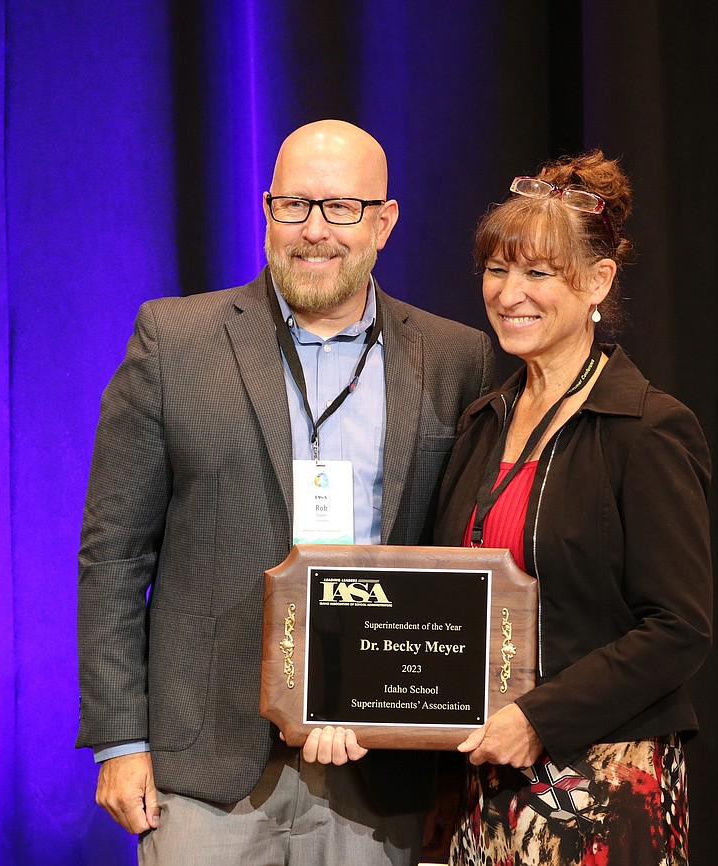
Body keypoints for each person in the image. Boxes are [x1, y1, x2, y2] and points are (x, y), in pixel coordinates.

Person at [76, 119, 494, 865]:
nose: (313, 231)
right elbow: (113, 554)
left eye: (340, 208)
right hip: (206, 772)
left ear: (384, 222)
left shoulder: (456, 358)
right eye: (292, 205)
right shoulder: (175, 340)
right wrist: (120, 739)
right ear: (266, 209)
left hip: (380, 774)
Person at [433, 151, 712, 865]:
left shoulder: (646, 427)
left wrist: (539, 718)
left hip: (599, 789)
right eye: (497, 270)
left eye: (538, 273)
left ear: (597, 281)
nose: (509, 293)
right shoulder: (482, 420)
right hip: (482, 782)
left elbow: (678, 628)